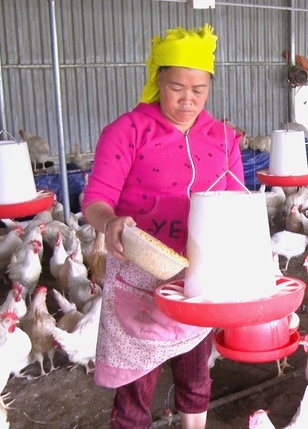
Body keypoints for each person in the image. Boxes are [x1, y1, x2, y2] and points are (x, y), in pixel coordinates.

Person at [82, 24, 244, 429]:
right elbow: (96, 200)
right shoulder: (127, 131)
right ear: (158, 80)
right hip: (138, 274)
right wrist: (110, 222)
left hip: (197, 276)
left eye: (199, 90)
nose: (188, 100)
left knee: (195, 376)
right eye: (177, 88)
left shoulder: (223, 138)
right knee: (135, 392)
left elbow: (237, 208)